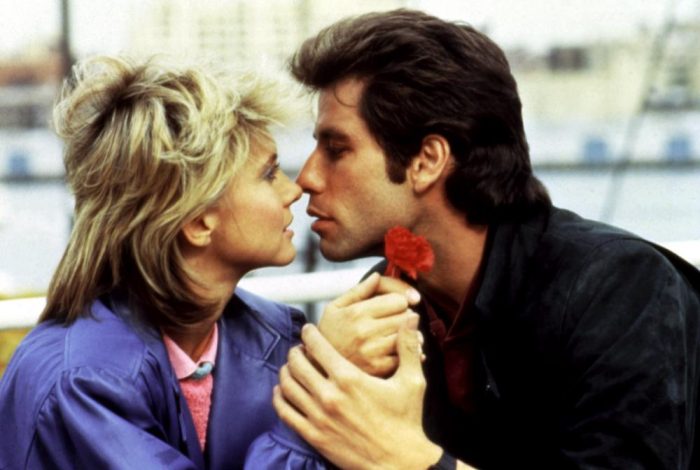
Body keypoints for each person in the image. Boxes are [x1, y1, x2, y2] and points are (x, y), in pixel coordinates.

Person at [272, 9, 700, 469]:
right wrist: (330, 370)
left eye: (336, 149)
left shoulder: (617, 287)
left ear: (427, 160)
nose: (307, 177)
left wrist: (410, 461)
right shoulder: (387, 303)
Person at [0, 55, 418, 469]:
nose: (294, 190)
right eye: (269, 173)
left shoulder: (278, 336)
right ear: (198, 221)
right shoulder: (80, 384)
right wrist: (317, 392)